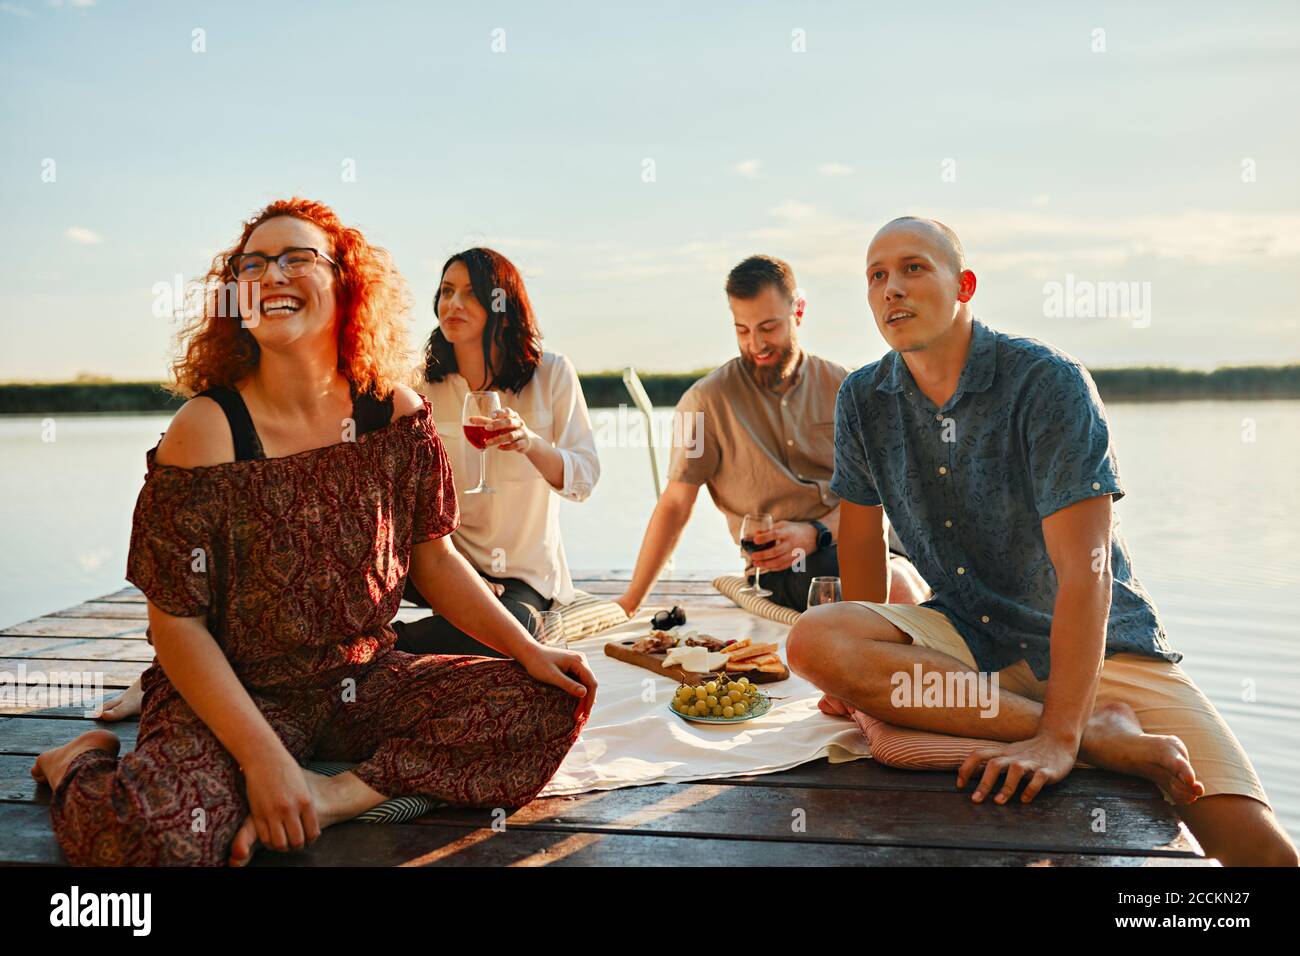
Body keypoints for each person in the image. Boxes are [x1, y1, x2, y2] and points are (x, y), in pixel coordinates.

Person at [32, 198, 596, 866]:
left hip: (364, 680)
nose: (272, 274)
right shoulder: (206, 430)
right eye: (253, 264)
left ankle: (336, 796)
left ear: (346, 283)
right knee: (151, 841)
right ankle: (74, 760)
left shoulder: (392, 412)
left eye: (297, 258)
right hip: (239, 692)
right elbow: (175, 626)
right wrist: (263, 759)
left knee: (552, 698)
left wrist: (526, 650)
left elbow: (434, 560)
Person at [786, 216, 1297, 867]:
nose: (891, 289)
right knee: (814, 638)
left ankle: (1077, 722)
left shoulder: (1047, 384)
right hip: (969, 638)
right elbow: (860, 541)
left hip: (1100, 649)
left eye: (913, 268)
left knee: (1260, 854)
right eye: (876, 276)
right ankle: (1100, 736)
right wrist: (860, 685)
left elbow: (1087, 574)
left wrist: (1059, 737)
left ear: (963, 284)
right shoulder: (863, 397)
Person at [614, 254, 928, 618]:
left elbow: (889, 494)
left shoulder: (846, 386)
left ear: (799, 312)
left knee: (941, 575)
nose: (756, 345)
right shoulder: (703, 403)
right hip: (786, 567)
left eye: (768, 327)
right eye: (742, 330)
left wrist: (817, 531)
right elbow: (674, 504)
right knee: (901, 587)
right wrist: (630, 602)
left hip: (877, 537)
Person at [392, 247, 603, 655]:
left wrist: (530, 443)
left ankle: (390, 646)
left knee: (511, 634)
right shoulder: (419, 382)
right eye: (446, 291)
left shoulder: (552, 373)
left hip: (521, 574)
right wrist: (456, 573)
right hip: (439, 562)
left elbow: (585, 478)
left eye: (471, 293)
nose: (453, 303)